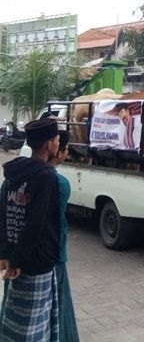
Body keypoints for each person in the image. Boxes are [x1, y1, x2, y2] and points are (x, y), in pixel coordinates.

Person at [0, 118, 61, 340]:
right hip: (34, 262)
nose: (57, 143)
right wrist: (15, 259)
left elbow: (3, 215)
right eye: (56, 139)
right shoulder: (46, 177)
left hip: (16, 260)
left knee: (15, 320)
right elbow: (36, 224)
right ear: (48, 145)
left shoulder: (12, 175)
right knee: (33, 328)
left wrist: (6, 254)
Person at [48, 131, 79, 341]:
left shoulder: (13, 177)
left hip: (20, 258)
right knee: (55, 305)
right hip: (52, 255)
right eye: (65, 147)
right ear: (56, 150)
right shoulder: (59, 184)